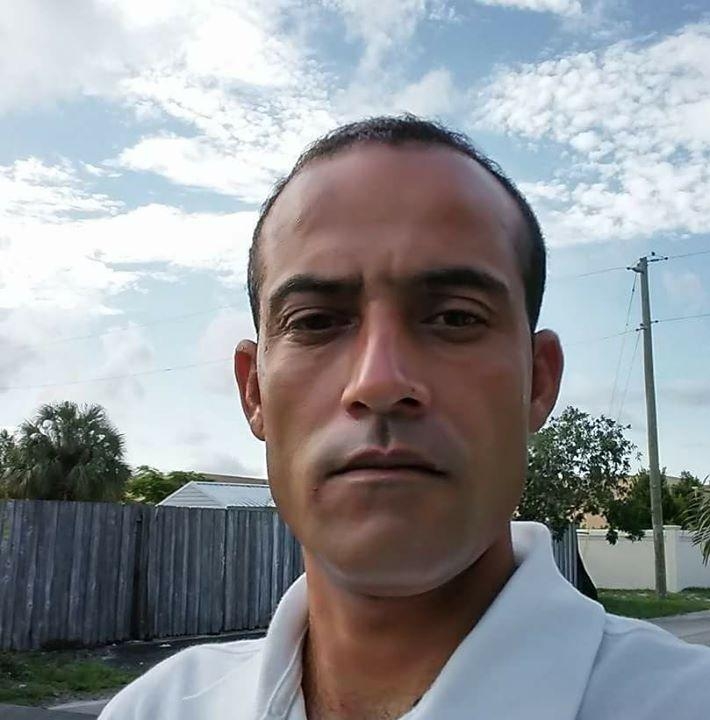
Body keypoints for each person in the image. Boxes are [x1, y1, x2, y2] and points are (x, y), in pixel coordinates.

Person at [99, 116, 710, 720]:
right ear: (254, 391)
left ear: (539, 381)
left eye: (455, 318)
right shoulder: (155, 709)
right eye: (315, 321)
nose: (379, 382)